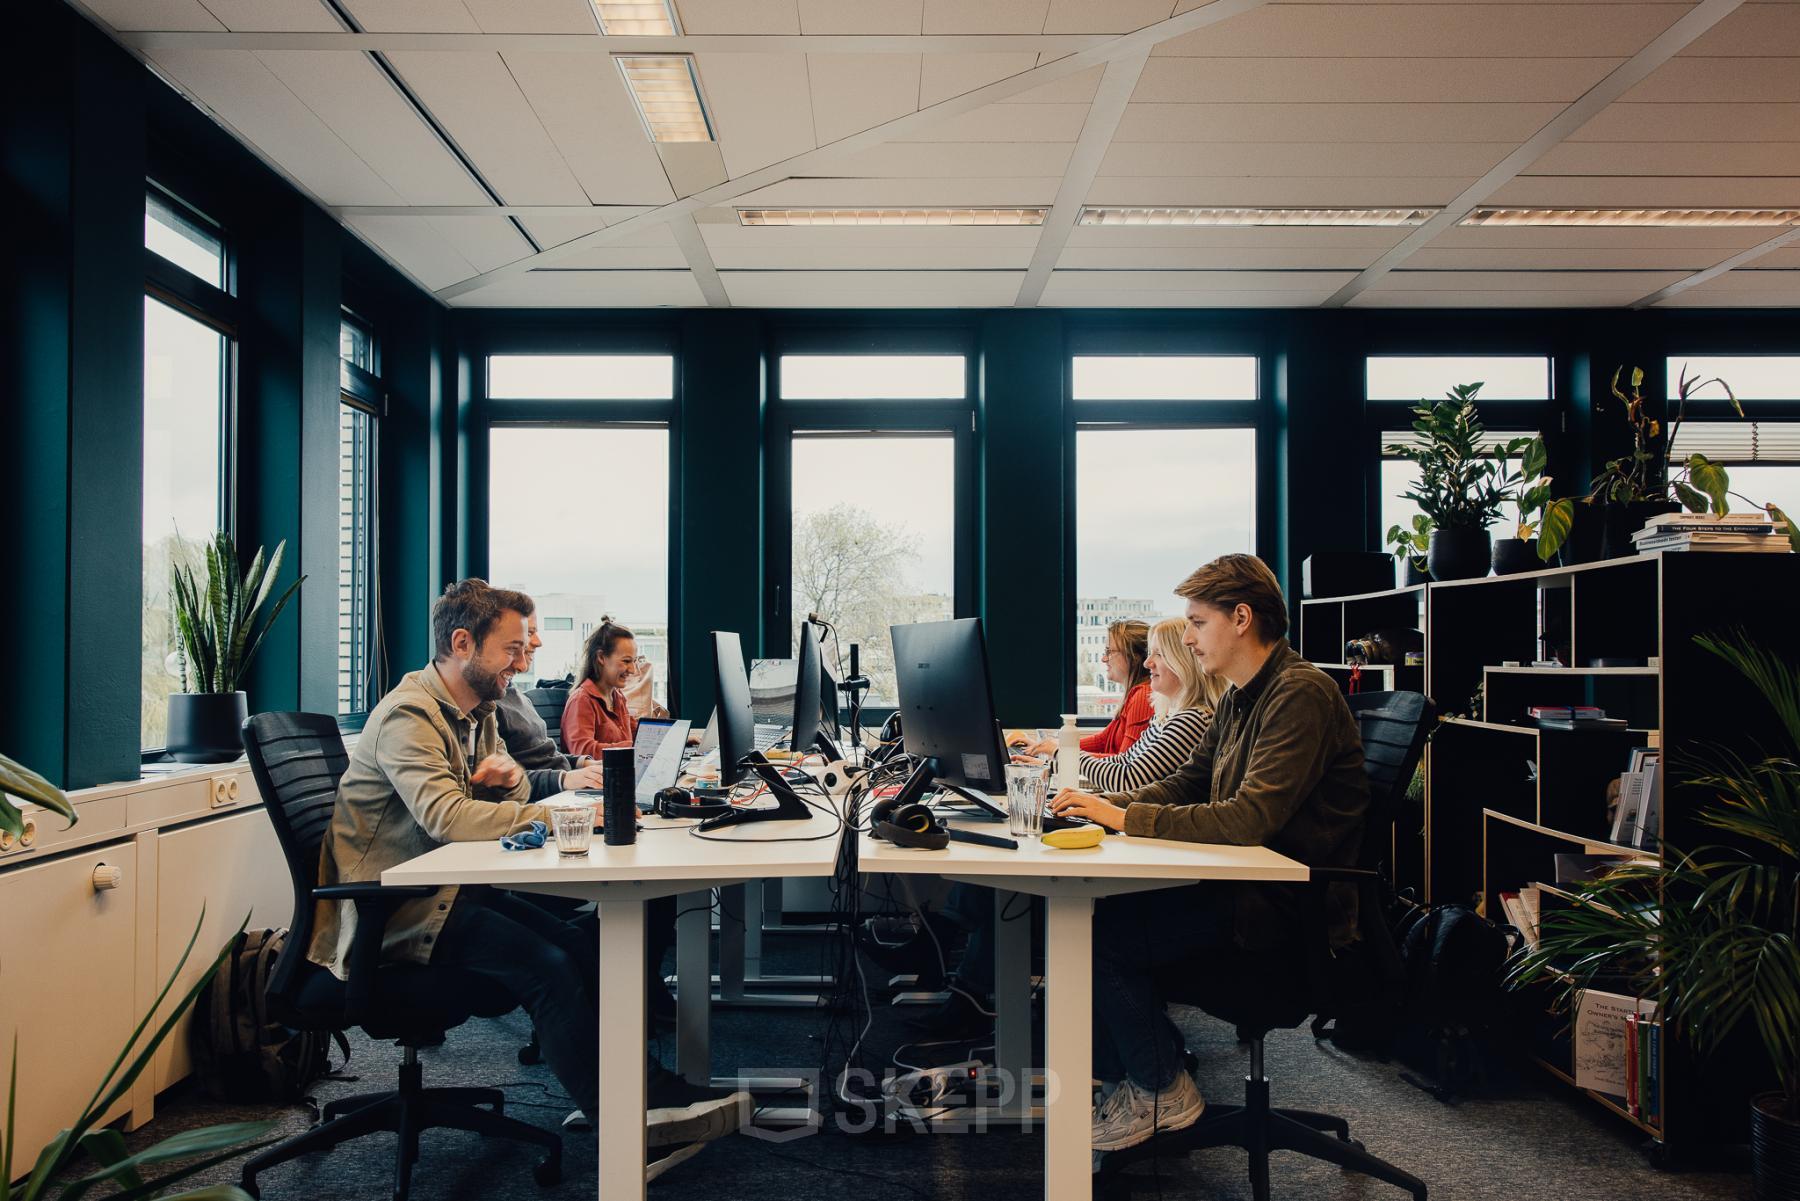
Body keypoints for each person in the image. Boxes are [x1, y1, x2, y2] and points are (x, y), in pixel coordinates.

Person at [309, 579, 744, 1181]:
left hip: (450, 891)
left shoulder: (477, 712)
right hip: (397, 911)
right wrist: (557, 815)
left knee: (584, 946)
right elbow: (449, 817)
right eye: (512, 649)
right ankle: (628, 1120)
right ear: (463, 644)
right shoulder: (409, 716)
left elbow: (505, 789)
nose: (524, 660)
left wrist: (512, 782)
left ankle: (651, 1089)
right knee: (548, 966)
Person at [1049, 554, 1370, 1165]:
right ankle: (1138, 1083)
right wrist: (1106, 808)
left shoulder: (1299, 693)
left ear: (1241, 618)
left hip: (1283, 911)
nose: (1188, 637)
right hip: (1238, 890)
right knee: (1089, 916)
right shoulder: (1241, 697)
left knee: (1095, 936)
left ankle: (1160, 1088)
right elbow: (1188, 784)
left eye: (1197, 622)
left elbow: (1249, 818)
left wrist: (1124, 819)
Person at [1079, 616, 1226, 793]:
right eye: (1150, 653)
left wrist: (1064, 755)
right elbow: (1125, 760)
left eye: (1159, 654)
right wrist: (1059, 759)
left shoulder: (1193, 720)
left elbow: (1128, 780)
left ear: (1183, 662)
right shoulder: (1165, 716)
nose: (1147, 663)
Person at [495, 608, 604, 803]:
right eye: (529, 633)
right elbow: (504, 784)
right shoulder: (489, 702)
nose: (538, 641)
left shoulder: (514, 692)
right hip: (547, 796)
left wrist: (583, 763)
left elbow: (544, 757)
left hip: (560, 789)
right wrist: (565, 779)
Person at [1021, 619, 1153, 757]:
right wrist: (1046, 746)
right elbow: (1102, 741)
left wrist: (1058, 754)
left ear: (1134, 657)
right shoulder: (1133, 695)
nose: (1104, 659)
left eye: (1109, 651)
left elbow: (1124, 762)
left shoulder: (1143, 696)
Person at [560, 618, 641, 759]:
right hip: (596, 773)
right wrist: (632, 748)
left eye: (634, 661)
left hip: (621, 770)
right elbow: (582, 751)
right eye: (626, 661)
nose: (633, 669)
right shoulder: (581, 700)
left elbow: (638, 734)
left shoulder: (618, 697)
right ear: (601, 657)